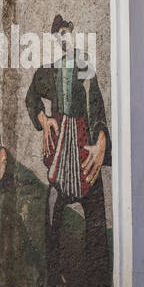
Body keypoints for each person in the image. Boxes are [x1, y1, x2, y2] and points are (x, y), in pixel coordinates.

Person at [24, 15, 109, 265]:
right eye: (60, 35)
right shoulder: (49, 71)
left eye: (67, 32)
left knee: (96, 216)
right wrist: (44, 119)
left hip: (84, 143)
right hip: (60, 148)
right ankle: (54, 276)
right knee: (52, 213)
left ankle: (97, 282)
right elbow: (31, 97)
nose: (65, 38)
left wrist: (101, 139)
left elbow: (96, 104)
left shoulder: (84, 65)